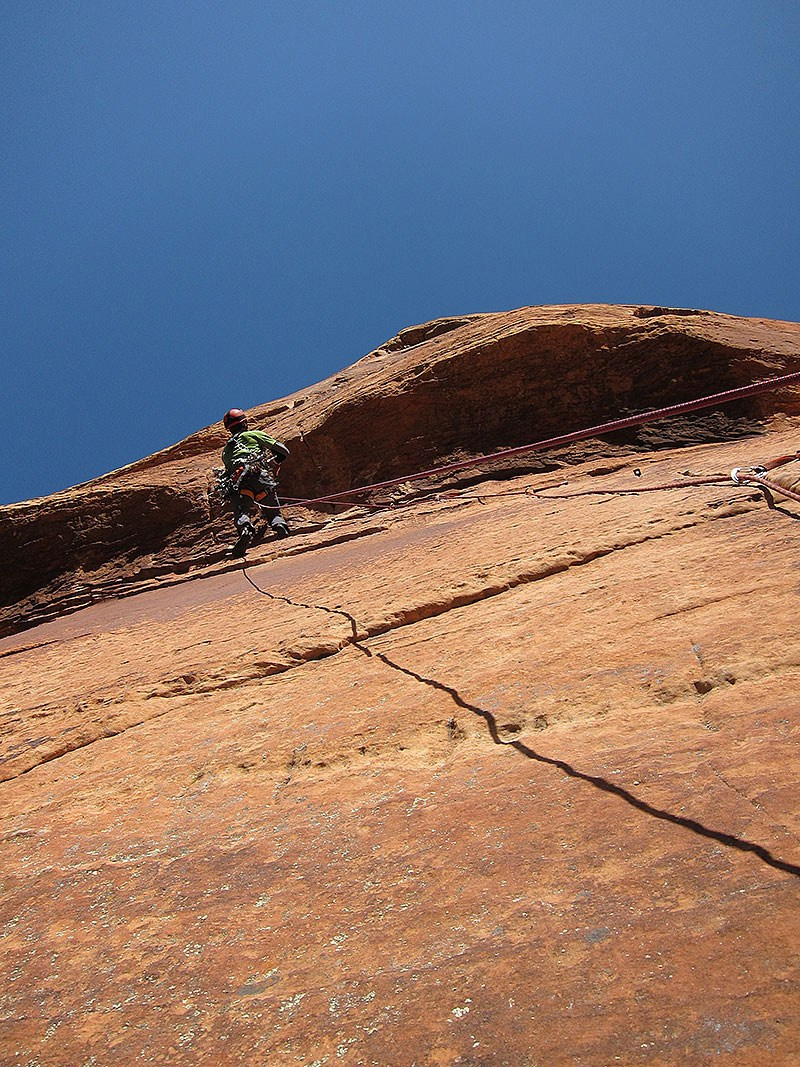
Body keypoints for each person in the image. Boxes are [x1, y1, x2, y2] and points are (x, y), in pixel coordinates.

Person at [221, 408, 291, 545]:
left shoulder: (226, 451)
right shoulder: (254, 435)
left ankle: (245, 529)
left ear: (229, 429)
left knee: (242, 511)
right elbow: (284, 451)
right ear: (244, 422)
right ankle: (279, 526)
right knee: (272, 510)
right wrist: (278, 459)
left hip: (239, 483)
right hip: (259, 476)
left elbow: (229, 469)